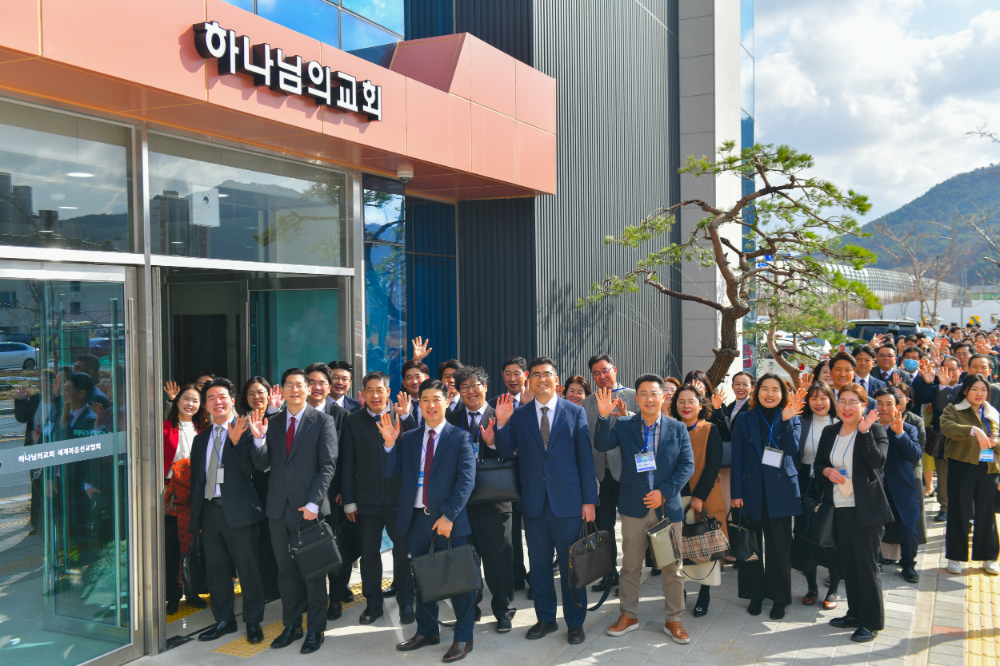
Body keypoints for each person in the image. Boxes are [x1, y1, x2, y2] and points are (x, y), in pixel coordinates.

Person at [493, 357, 597, 645]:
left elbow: (585, 460)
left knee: (571, 567)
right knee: (538, 566)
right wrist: (501, 423)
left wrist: (589, 500)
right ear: (530, 380)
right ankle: (546, 619)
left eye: (547, 374)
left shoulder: (574, 412)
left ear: (556, 380)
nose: (542, 379)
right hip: (535, 504)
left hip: (569, 502)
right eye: (536, 374)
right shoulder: (520, 414)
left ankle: (575, 622)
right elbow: (505, 452)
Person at [378, 379, 477, 663]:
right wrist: (388, 443)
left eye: (436, 399)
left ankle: (463, 636)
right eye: (425, 400)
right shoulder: (408, 438)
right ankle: (427, 631)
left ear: (447, 402)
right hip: (416, 521)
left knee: (458, 581)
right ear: (418, 404)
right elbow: (390, 472)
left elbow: (466, 481)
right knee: (423, 580)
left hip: (449, 520)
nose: (431, 405)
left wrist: (449, 515)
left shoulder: (460, 437)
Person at [245, 368, 339, 653]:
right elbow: (262, 466)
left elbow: (328, 466)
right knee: (285, 572)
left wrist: (314, 504)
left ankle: (316, 630)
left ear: (309, 389)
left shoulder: (322, 421)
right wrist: (259, 441)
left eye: (300, 385)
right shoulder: (272, 423)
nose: (295, 390)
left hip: (308, 510)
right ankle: (292, 625)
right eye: (289, 386)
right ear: (282, 391)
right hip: (277, 510)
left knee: (312, 572)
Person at [593, 377, 693, 642]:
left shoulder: (677, 428)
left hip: (667, 510)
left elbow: (687, 466)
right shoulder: (625, 425)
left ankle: (674, 620)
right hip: (633, 508)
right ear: (636, 398)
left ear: (663, 397)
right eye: (644, 394)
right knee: (630, 566)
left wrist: (665, 492)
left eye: (654, 393)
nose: (649, 398)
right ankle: (629, 615)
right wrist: (603, 418)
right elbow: (602, 445)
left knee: (673, 569)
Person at [187, 378, 266, 644]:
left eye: (222, 397)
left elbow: (252, 470)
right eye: (211, 398)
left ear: (232, 399)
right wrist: (196, 516)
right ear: (205, 406)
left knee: (248, 569)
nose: (217, 402)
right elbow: (197, 481)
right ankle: (224, 620)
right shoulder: (201, 439)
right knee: (216, 570)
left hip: (239, 511)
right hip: (210, 512)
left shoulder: (246, 429)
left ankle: (253, 621)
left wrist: (234, 443)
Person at [815, 382, 890, 643]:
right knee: (850, 565)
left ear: (863, 406)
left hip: (866, 510)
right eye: (843, 401)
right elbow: (819, 465)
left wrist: (865, 432)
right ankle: (855, 613)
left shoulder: (875, 430)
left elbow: (877, 462)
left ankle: (872, 622)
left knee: (867, 567)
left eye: (853, 402)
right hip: (839, 509)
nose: (847, 407)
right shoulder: (831, 431)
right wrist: (827, 471)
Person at [340, 371, 415, 626]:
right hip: (367, 502)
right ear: (363, 393)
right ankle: (373, 604)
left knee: (403, 554)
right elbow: (347, 462)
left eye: (379, 390)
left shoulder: (400, 416)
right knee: (369, 554)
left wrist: (406, 416)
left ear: (387, 392)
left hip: (398, 500)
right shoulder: (353, 420)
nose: (375, 395)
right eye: (369, 390)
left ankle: (407, 602)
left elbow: (418, 446)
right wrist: (349, 500)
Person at [730, 373, 805, 620]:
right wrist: (736, 493)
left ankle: (780, 598)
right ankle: (755, 594)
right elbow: (738, 457)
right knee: (751, 547)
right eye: (765, 388)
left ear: (782, 394)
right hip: (752, 492)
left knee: (779, 549)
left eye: (775, 389)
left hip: (781, 492)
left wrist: (785, 421)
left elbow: (793, 451)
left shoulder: (792, 416)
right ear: (757, 391)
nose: (770, 394)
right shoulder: (744, 418)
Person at [446, 367, 515, 631]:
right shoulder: (450, 419)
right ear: (458, 391)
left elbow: (515, 454)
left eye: (475, 385)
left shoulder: (502, 413)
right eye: (464, 388)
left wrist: (494, 441)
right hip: (461, 505)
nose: (471, 391)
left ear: (486, 386)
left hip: (495, 502)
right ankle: (468, 611)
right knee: (465, 561)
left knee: (499, 560)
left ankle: (503, 611)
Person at [583, 354, 639, 594]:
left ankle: (630, 577)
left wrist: (626, 416)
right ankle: (609, 574)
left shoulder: (633, 395)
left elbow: (644, 427)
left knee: (630, 529)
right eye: (596, 373)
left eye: (605, 370)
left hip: (627, 473)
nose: (601, 376)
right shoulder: (588, 402)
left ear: (614, 369)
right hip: (600, 475)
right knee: (603, 528)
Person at [670, 384, 725, 618]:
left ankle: (704, 594)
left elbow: (713, 465)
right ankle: (678, 593)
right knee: (677, 549)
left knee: (704, 546)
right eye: (680, 401)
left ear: (700, 405)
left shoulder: (710, 429)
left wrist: (699, 496)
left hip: (702, 497)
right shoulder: (669, 428)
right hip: (674, 496)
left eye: (691, 401)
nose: (685, 405)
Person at [304, 362, 352, 620]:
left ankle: (335, 599)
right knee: (306, 549)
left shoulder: (342, 415)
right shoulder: (296, 411)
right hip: (302, 495)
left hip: (333, 495)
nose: (317, 387)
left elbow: (346, 458)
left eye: (323, 382)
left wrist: (345, 491)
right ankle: (310, 598)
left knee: (335, 548)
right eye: (312, 382)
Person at [941, 374, 1000, 576]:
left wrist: (997, 442)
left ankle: (988, 557)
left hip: (988, 469)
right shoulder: (954, 409)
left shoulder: (993, 413)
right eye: (974, 389)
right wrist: (974, 430)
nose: (979, 393)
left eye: (983, 389)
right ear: (965, 390)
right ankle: (956, 557)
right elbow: (947, 427)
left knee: (987, 512)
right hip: (962, 467)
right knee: (959, 511)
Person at [791, 380, 842, 610]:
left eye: (823, 398)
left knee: (832, 539)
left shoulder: (841, 424)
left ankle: (833, 589)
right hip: (805, 484)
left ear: (831, 399)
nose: (818, 402)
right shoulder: (800, 422)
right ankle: (812, 587)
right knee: (805, 536)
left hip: (832, 485)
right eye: (813, 398)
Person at [488, 355, 533, 594]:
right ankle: (516, 575)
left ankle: (537, 577)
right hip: (506, 475)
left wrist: (526, 406)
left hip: (534, 473)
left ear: (526, 375)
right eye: (508, 373)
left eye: (517, 373)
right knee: (512, 529)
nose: (512, 378)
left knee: (536, 529)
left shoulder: (536, 400)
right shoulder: (494, 403)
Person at [238, 376, 283, 602]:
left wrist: (273, 412)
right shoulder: (239, 421)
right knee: (253, 539)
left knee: (270, 536)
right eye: (251, 393)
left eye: (260, 392)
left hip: (271, 487)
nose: (256, 397)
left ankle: (271, 586)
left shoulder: (278, 418)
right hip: (248, 487)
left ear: (268, 394)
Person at [163, 384, 207, 614]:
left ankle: (193, 592)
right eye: (186, 399)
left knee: (194, 546)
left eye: (195, 401)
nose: (190, 404)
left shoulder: (204, 428)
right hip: (174, 498)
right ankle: (172, 595)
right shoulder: (165, 428)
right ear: (177, 402)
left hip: (198, 496)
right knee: (173, 548)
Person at [872, 387, 923, 583]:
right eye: (880, 403)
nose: (884, 408)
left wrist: (900, 433)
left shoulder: (908, 428)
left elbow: (916, 455)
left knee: (910, 531)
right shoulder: (866, 426)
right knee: (873, 529)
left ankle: (908, 565)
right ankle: (874, 562)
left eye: (889, 404)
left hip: (902, 488)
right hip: (875, 488)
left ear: (897, 407)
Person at [14, 369, 59, 533]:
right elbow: (22, 417)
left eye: (44, 381)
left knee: (49, 485)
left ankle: (53, 522)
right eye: (39, 381)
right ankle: (37, 524)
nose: (40, 384)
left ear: (53, 383)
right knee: (36, 484)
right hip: (34, 448)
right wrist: (20, 400)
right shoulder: (35, 399)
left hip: (52, 449)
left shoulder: (58, 400)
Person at [684, 370, 731, 441]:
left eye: (698, 385)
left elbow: (726, 434)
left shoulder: (716, 404)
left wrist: (718, 409)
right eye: (691, 386)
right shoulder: (682, 405)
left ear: (706, 388)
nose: (695, 389)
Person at [399, 359, 431, 428]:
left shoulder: (435, 405)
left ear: (427, 379)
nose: (414, 382)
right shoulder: (398, 409)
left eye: (418, 377)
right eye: (409, 378)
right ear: (404, 383)